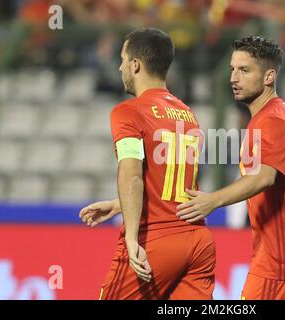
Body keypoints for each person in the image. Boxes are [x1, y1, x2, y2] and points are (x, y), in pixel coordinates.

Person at [176, 36, 285, 300]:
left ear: (269, 77)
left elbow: (264, 177)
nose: (234, 78)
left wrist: (212, 200)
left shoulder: (272, 120)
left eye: (244, 70)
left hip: (280, 259)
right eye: (232, 69)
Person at [79, 28, 215, 300]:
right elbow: (169, 184)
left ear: (135, 64)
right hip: (198, 241)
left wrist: (131, 238)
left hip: (155, 239)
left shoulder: (128, 112)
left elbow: (132, 175)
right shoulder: (187, 114)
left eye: (122, 59)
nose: (119, 67)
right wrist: (119, 204)